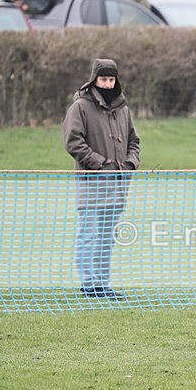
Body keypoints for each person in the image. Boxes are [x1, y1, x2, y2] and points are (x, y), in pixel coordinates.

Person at [63, 59, 140, 300]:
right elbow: (73, 141)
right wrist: (99, 164)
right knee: (89, 234)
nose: (108, 84)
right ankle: (88, 284)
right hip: (92, 184)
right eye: (103, 79)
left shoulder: (123, 109)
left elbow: (134, 142)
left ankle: (102, 284)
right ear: (94, 79)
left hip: (118, 186)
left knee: (107, 237)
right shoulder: (80, 107)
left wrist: (129, 164)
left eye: (111, 79)